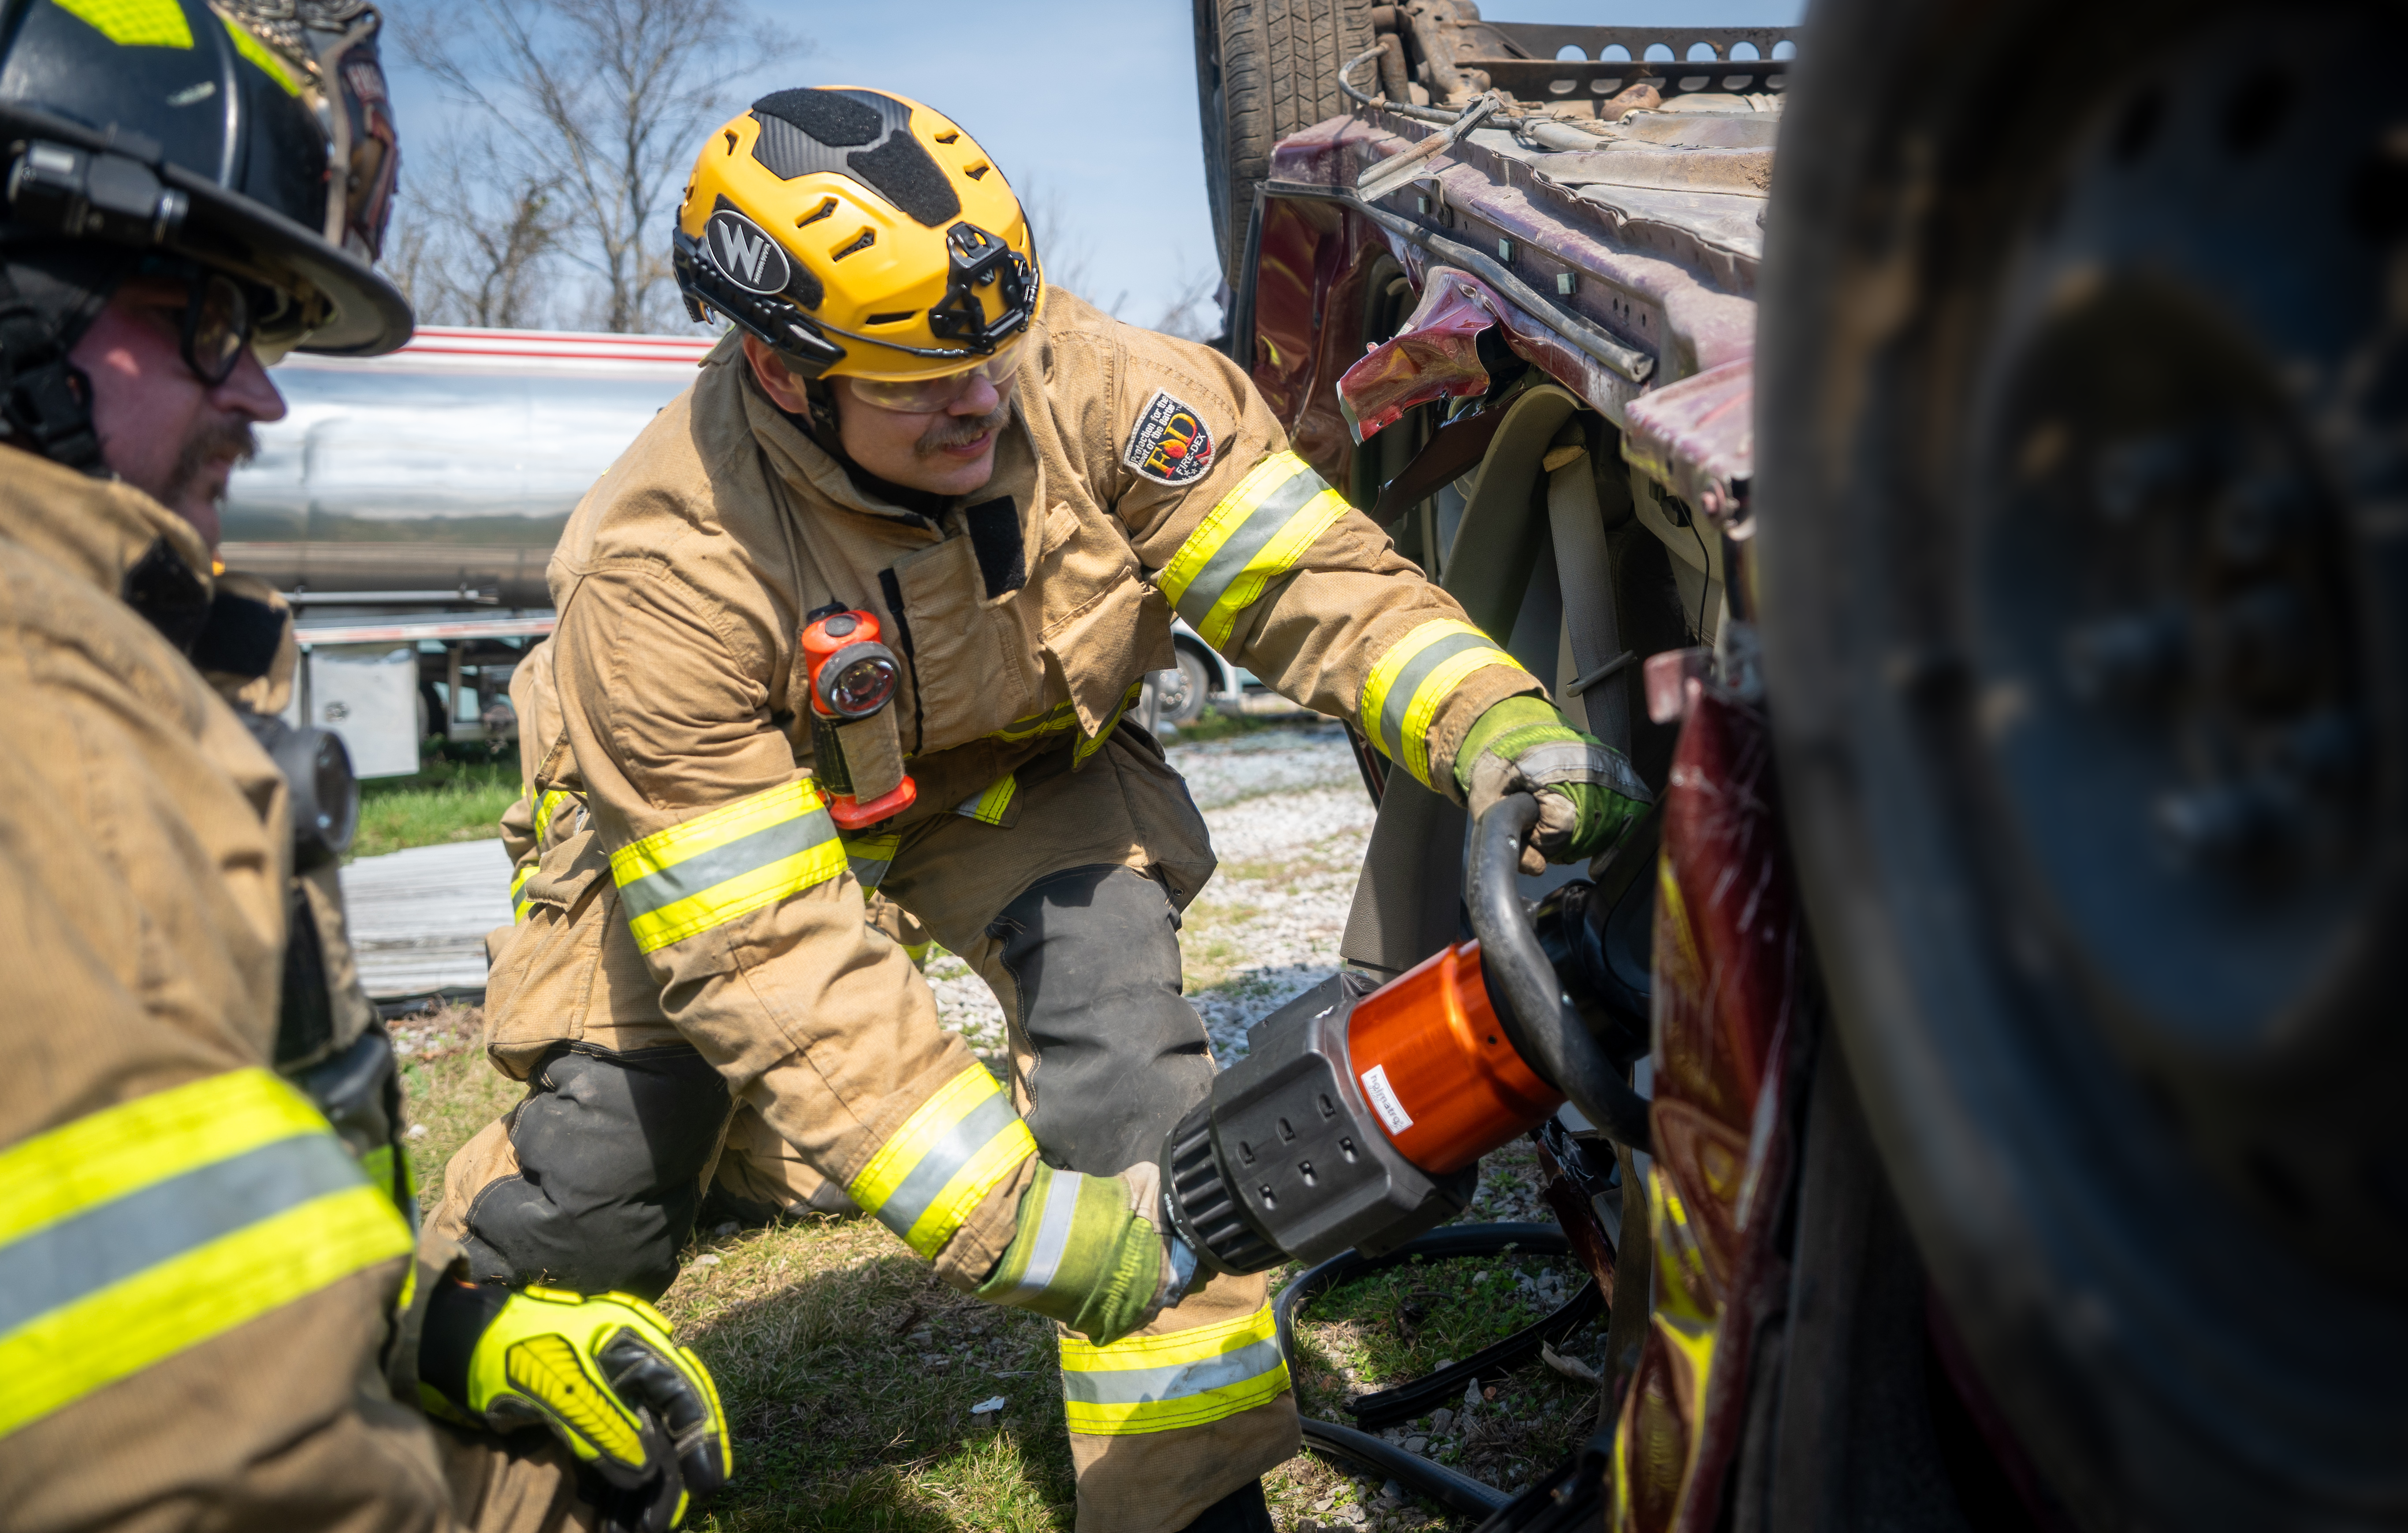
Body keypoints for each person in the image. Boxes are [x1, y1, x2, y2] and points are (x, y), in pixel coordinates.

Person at [427, 83, 1648, 1533]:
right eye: (919, 384)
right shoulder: (662, 571)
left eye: (997, 353)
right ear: (777, 368)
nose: (986, 401)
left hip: (1012, 775)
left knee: (1128, 1076)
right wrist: (1010, 1223)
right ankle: (470, 1397)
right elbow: (769, 953)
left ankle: (1185, 1505)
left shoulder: (1079, 373)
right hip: (719, 842)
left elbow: (1304, 577)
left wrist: (1491, 721)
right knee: (605, 1169)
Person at [0, 0, 729, 1529]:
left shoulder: (109, 664)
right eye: (210, 320)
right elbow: (179, 1461)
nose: (259, 399)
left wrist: (445, 1333)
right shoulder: (49, 722)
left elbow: (157, 1261)